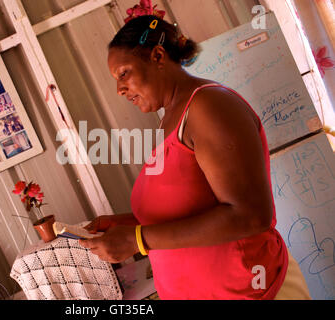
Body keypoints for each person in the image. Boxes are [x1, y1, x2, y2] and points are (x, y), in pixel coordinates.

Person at [79, 7, 311, 300]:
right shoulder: (169, 122)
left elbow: (251, 216)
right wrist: (125, 225)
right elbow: (189, 207)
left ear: (158, 57)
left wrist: (138, 239)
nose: (119, 89)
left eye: (124, 73)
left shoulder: (208, 106)